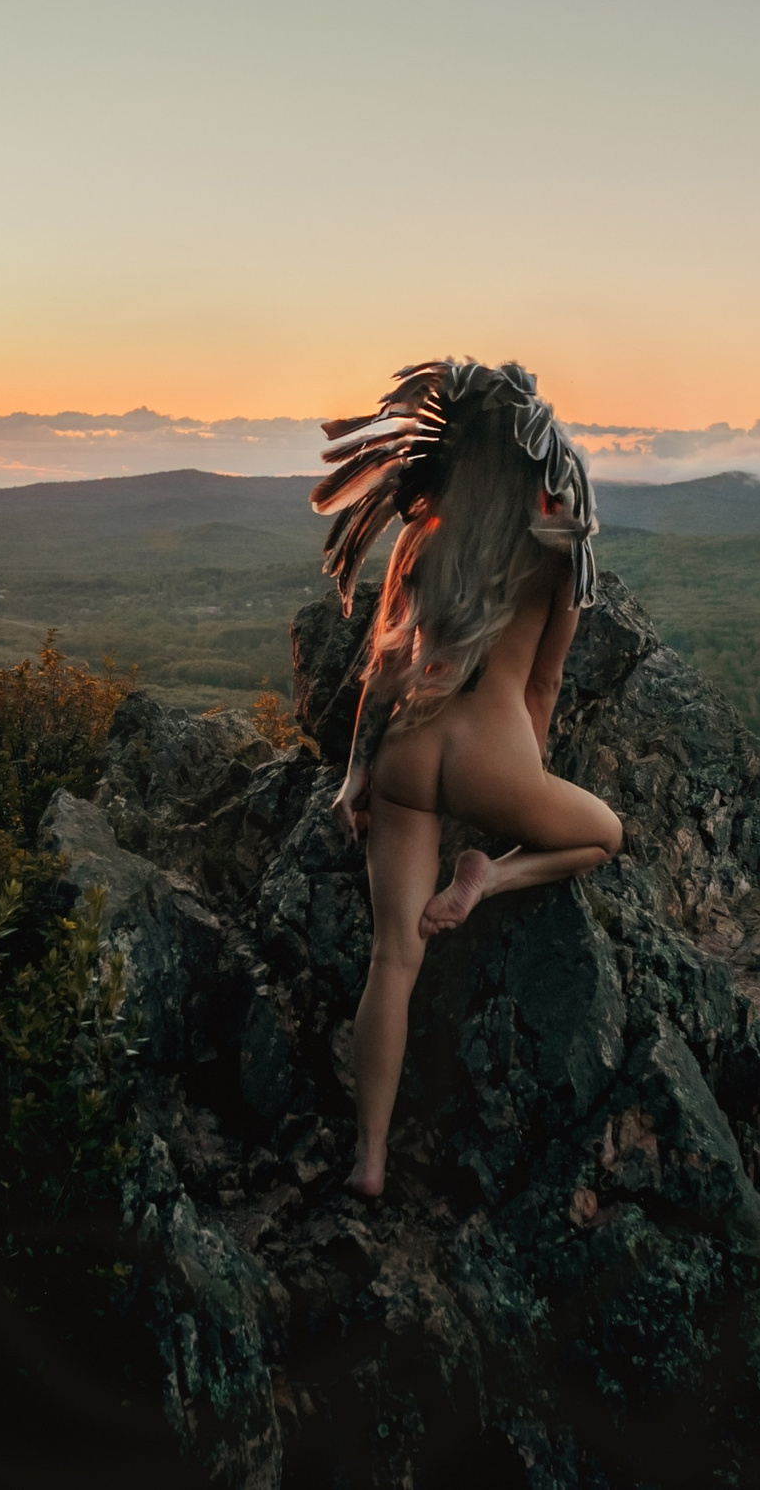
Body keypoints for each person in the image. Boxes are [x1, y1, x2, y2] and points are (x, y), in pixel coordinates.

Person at [311, 360, 625, 1198]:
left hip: (408, 750)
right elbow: (542, 688)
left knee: (393, 957)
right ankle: (489, 877)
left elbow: (383, 668)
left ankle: (368, 1160)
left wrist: (355, 778)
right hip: (493, 756)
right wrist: (524, 781)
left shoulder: (430, 534)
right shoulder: (560, 558)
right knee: (606, 834)